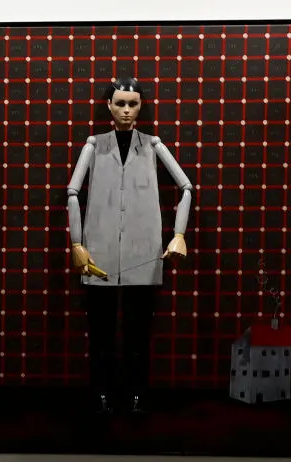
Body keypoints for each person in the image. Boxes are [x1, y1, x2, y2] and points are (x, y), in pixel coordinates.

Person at [66, 77, 194, 415]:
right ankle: (101, 394)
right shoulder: (94, 145)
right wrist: (77, 243)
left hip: (144, 254)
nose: (125, 110)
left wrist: (179, 233)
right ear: (108, 105)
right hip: (99, 255)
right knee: (101, 334)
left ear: (140, 107)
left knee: (139, 334)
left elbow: (187, 187)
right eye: (120, 103)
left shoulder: (152, 145)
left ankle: (137, 394)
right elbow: (73, 192)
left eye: (132, 104)